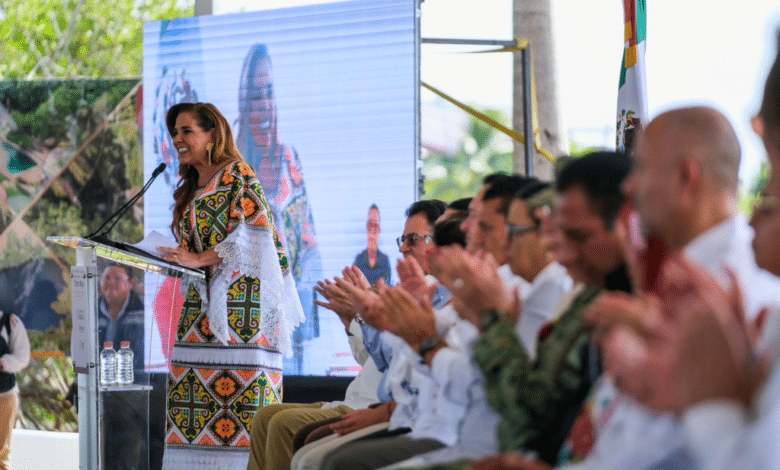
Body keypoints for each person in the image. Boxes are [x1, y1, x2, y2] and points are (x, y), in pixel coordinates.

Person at [580, 38, 780, 470]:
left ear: (687, 177)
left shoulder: (729, 282)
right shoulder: (679, 270)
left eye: (642, 169)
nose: (628, 188)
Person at [158, 102, 304, 470]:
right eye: (175, 132)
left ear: (212, 135)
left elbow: (257, 238)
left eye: (186, 131)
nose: (177, 138)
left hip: (243, 320)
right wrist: (174, 259)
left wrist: (199, 258)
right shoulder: (194, 185)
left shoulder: (238, 174)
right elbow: (198, 246)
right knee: (192, 413)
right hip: (199, 314)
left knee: (242, 420)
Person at [236, 43, 322, 374]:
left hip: (291, 321)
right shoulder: (233, 168)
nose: (264, 105)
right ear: (244, 103)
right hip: (246, 320)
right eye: (255, 96)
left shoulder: (290, 159)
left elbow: (308, 243)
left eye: (269, 92)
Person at [0, 309, 29, 470]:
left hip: (4, 397)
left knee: (1, 457)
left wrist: (3, 362)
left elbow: (23, 357)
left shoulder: (10, 322)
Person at [353, 204, 391, 286]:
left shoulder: (385, 261)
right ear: (366, 227)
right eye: (370, 224)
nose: (372, 230)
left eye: (376, 225)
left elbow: (388, 289)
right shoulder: (359, 260)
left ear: (379, 229)